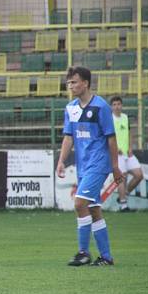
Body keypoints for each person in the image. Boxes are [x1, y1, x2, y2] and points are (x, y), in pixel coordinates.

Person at [57, 67, 123, 267]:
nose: (71, 86)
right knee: (94, 209)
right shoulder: (71, 108)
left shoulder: (101, 107)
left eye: (74, 82)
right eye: (68, 83)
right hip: (83, 166)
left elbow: (111, 139)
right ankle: (106, 257)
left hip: (98, 164)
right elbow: (68, 137)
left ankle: (83, 252)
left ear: (85, 83)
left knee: (79, 204)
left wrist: (114, 166)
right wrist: (61, 160)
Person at [110, 96, 144, 212]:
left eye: (118, 104)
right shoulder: (110, 119)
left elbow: (129, 133)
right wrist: (115, 149)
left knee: (139, 175)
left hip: (127, 153)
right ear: (111, 107)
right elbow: (106, 138)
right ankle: (124, 206)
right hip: (116, 154)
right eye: (114, 104)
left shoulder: (125, 117)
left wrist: (130, 147)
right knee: (121, 178)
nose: (117, 106)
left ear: (122, 105)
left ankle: (124, 195)